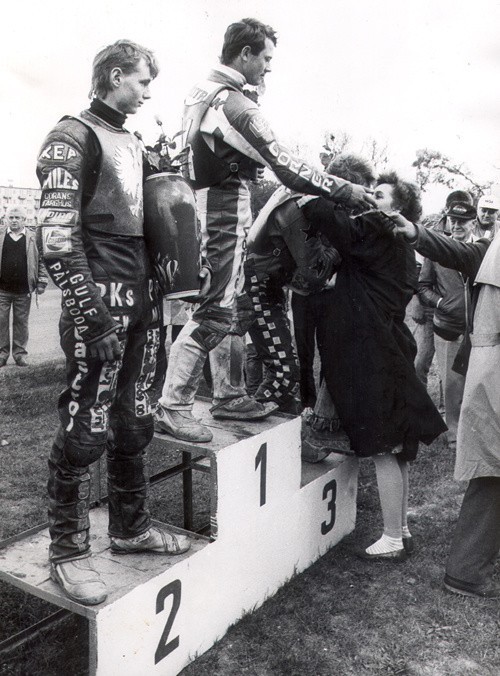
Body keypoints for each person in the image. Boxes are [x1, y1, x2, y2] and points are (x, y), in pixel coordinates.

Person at [154, 17, 376, 443]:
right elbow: (287, 165)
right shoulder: (235, 104)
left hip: (205, 199)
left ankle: (228, 393)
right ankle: (174, 404)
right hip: (221, 206)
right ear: (245, 54)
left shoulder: (202, 90)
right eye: (266, 59)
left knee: (225, 303)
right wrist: (346, 190)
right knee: (217, 309)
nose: (269, 68)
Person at [36, 40, 191, 607]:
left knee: (135, 422)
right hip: (99, 306)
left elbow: (157, 218)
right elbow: (55, 239)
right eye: (144, 81)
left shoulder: (132, 140)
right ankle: (68, 549)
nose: (149, 92)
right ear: (115, 75)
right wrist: (92, 316)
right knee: (84, 429)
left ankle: (130, 530)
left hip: (143, 306)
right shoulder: (70, 137)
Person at [302, 164, 446, 560]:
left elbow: (325, 217)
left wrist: (325, 191)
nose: (369, 198)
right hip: (392, 346)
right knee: (397, 447)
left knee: (383, 446)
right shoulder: (400, 245)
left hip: (374, 351)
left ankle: (393, 539)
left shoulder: (376, 232)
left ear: (396, 210)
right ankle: (399, 529)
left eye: (378, 195)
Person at [389, 209, 499, 597]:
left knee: (491, 474)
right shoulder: (489, 248)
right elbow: (451, 249)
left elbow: (455, 250)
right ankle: (466, 572)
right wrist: (416, 232)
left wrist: (416, 232)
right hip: (493, 374)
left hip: (486, 372)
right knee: (492, 474)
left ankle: (468, 570)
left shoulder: (489, 248)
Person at [244, 155, 375, 413]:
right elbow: (314, 276)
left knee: (285, 370)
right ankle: (249, 430)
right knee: (283, 371)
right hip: (258, 290)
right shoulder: (301, 205)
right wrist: (344, 244)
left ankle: (292, 439)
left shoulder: (303, 192)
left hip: (268, 288)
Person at [418, 201, 476, 450]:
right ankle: (454, 433)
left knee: (476, 382)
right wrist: (441, 302)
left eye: (463, 221)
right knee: (452, 383)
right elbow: (422, 286)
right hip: (447, 327)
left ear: (474, 223)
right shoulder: (438, 250)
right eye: (453, 220)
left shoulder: (482, 250)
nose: (457, 225)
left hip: (477, 328)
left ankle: (475, 430)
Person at [0, 205, 47, 366]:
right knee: (1, 321)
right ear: (7, 219)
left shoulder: (32, 238)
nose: (13, 221)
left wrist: (42, 281)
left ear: (24, 220)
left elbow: (41, 262)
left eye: (17, 218)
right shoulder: (0, 236)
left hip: (23, 289)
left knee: (21, 323)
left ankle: (20, 354)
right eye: (11, 218)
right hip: (2, 289)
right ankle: (2, 354)